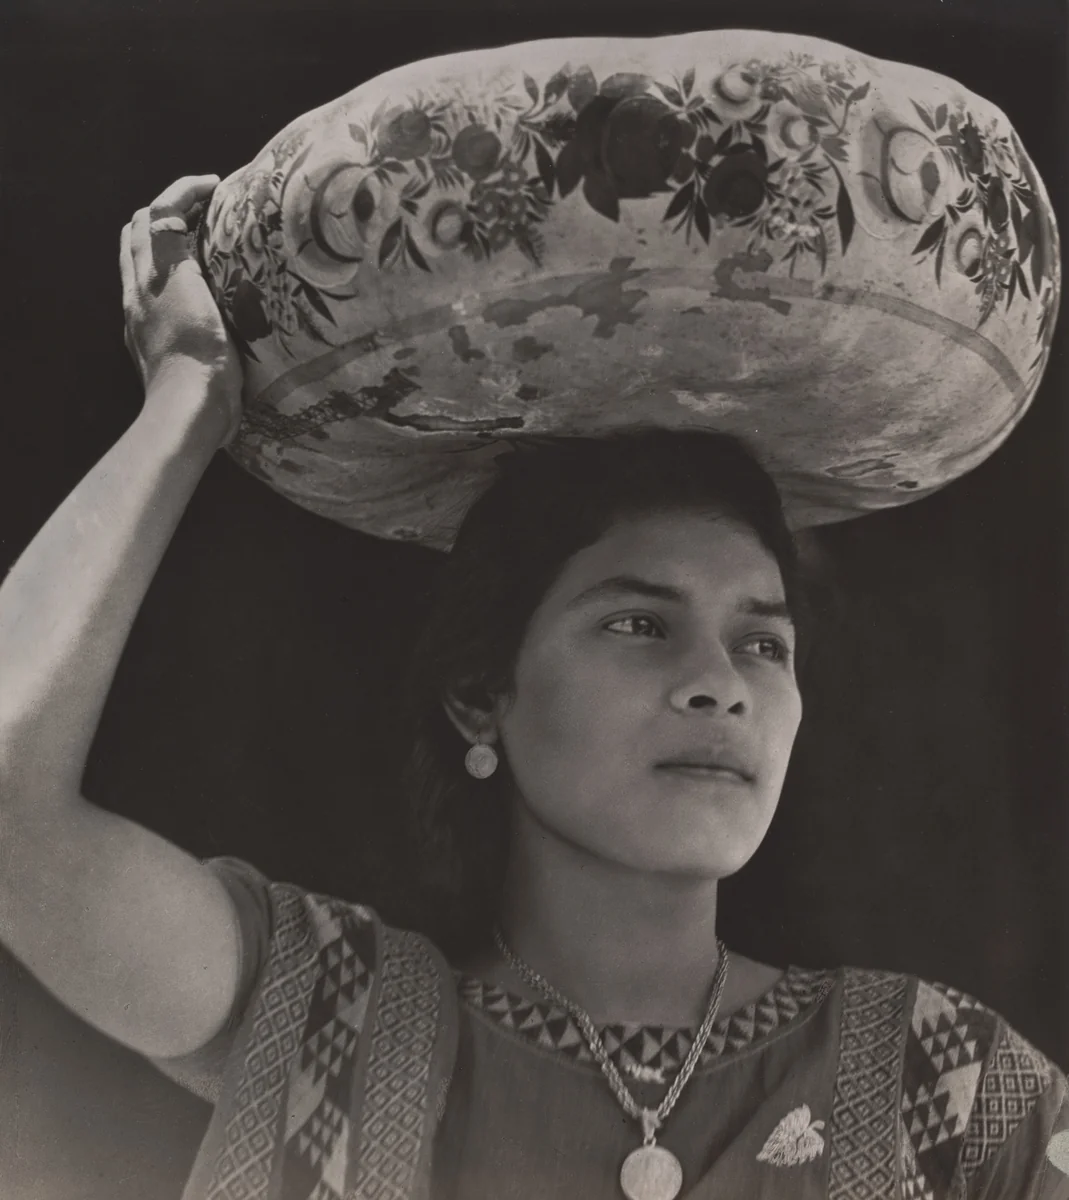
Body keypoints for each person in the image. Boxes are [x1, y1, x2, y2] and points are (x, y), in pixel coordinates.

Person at [0, 174, 1066, 1200]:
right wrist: (186, 393)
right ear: (480, 696)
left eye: (763, 645)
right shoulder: (327, 1019)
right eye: (638, 625)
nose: (717, 686)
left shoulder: (948, 1091)